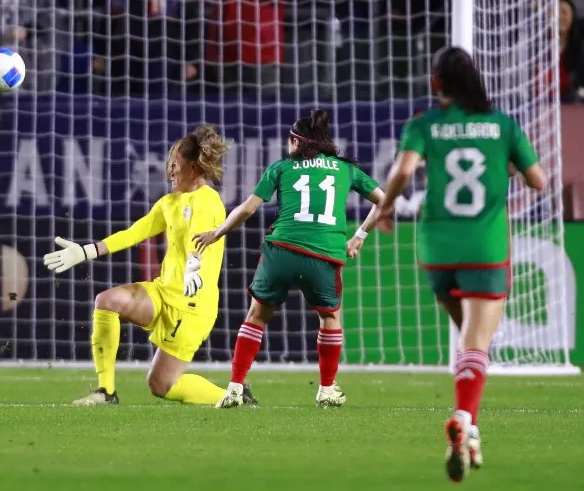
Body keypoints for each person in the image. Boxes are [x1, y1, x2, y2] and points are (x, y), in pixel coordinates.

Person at [374, 46, 546, 482]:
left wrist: (385, 208)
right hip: (484, 248)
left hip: (435, 250)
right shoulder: (502, 124)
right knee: (476, 345)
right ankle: (464, 420)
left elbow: (403, 171)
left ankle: (472, 435)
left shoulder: (424, 125)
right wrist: (501, 167)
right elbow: (538, 180)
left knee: (468, 340)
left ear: (438, 85)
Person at [43, 125, 253, 406]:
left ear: (193, 167)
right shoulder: (169, 203)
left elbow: (199, 237)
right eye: (169, 165)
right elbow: (135, 232)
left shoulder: (207, 199)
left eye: (175, 165)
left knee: (160, 385)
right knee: (107, 300)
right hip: (163, 292)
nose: (170, 171)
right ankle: (106, 392)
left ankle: (234, 397)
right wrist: (86, 251)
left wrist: (193, 265)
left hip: (193, 305)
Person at [193, 109, 385, 408]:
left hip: (281, 250)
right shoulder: (345, 169)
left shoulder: (282, 168)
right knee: (330, 317)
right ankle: (326, 389)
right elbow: (384, 202)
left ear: (297, 142)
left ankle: (234, 387)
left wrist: (217, 233)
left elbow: (247, 209)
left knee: (256, 315)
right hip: (323, 254)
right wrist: (359, 235)